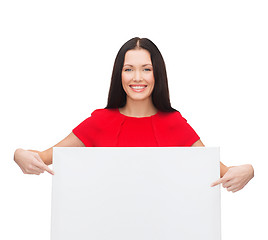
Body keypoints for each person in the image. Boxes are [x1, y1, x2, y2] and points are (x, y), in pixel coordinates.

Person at [14, 37, 254, 193]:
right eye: (129, 69)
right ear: (119, 75)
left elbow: (223, 172)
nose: (137, 78)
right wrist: (18, 154)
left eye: (146, 69)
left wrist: (249, 170)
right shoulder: (99, 122)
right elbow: (43, 157)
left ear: (156, 74)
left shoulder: (174, 124)